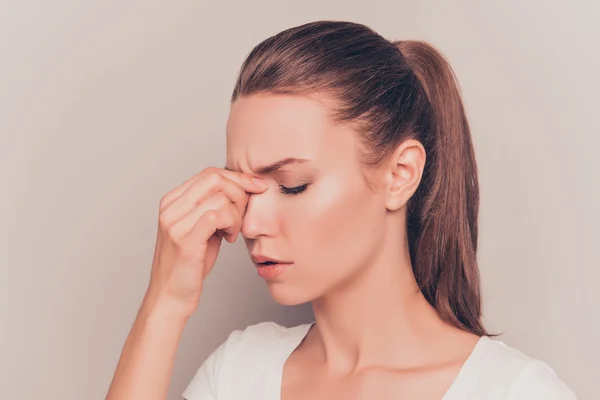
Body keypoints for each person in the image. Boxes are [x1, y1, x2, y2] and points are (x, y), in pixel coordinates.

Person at [105, 21, 577, 400]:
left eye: (292, 185)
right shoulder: (240, 373)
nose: (248, 224)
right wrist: (165, 303)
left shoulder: (513, 391)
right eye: (244, 189)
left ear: (400, 174)